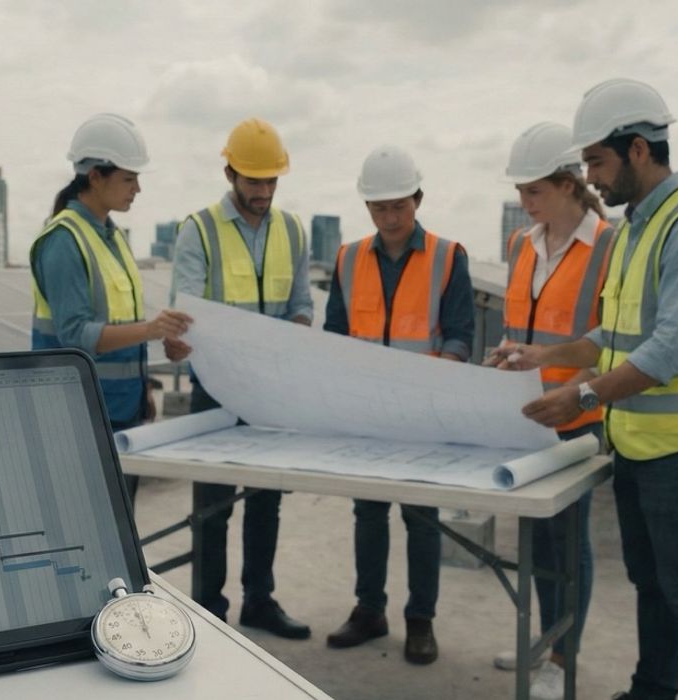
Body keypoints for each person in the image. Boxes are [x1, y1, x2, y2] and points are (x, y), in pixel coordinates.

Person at [487, 79, 678, 700]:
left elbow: (671, 350)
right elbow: (616, 334)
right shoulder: (641, 228)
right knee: (654, 584)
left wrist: (583, 397)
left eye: (597, 162)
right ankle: (651, 690)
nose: (590, 177)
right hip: (641, 442)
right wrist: (545, 353)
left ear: (639, 149)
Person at [322, 145, 475, 665]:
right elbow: (335, 337)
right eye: (380, 208)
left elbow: (459, 336)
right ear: (368, 208)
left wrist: (434, 380)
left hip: (422, 413)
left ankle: (420, 618)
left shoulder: (448, 256)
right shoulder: (347, 258)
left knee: (421, 517)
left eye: (399, 207)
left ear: (418, 200)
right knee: (367, 512)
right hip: (366, 411)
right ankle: (370, 610)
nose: (390, 218)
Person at [165, 117, 313, 639]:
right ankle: (208, 609)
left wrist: (294, 333)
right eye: (254, 181)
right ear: (230, 173)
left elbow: (300, 305)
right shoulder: (198, 230)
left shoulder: (293, 230)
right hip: (216, 386)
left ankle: (259, 600)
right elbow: (186, 309)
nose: (263, 192)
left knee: (265, 499)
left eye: (271, 181)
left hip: (271, 390)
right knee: (213, 503)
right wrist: (181, 339)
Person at [489, 122, 616, 699]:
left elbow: (614, 340)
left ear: (569, 185)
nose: (524, 203)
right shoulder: (522, 244)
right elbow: (522, 326)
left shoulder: (610, 247)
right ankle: (540, 640)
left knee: (568, 542)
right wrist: (509, 352)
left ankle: (562, 655)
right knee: (536, 540)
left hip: (578, 420)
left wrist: (579, 389)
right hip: (525, 415)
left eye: (534, 191)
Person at [29, 113, 192, 501]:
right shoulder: (64, 241)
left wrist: (143, 389)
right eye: (128, 178)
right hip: (78, 416)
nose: (137, 189)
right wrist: (152, 330)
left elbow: (121, 325)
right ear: (95, 176)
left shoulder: (111, 236)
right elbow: (76, 335)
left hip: (121, 410)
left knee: (120, 536)